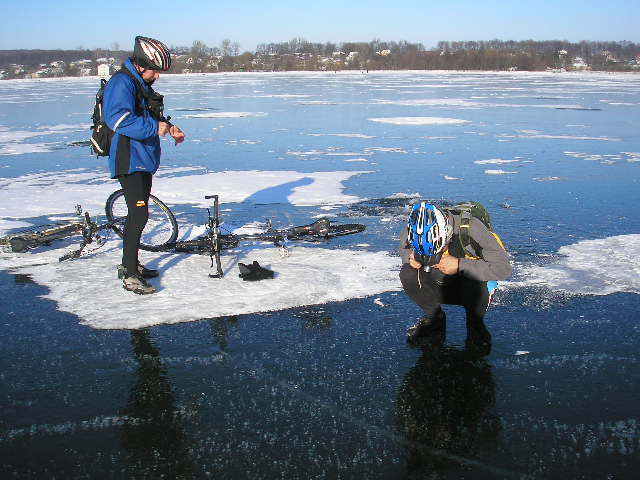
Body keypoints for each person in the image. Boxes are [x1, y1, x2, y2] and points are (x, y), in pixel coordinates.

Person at [103, 36, 185, 294]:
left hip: (142, 158)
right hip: (128, 159)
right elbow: (117, 119)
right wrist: (156, 127)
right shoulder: (121, 83)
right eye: (155, 71)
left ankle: (133, 264)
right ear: (141, 65)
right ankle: (129, 273)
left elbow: (149, 116)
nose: (157, 77)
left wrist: (169, 128)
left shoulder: (138, 83)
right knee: (138, 215)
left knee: (139, 214)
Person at [399, 202, 512, 354]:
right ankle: (435, 319)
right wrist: (410, 258)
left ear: (448, 232)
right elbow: (404, 250)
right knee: (407, 273)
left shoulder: (473, 229)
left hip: (472, 286)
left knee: (473, 281)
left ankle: (475, 327)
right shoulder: (414, 229)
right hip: (439, 279)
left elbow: (503, 269)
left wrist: (460, 265)